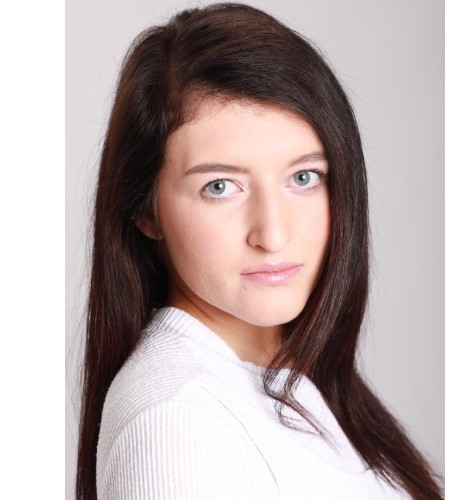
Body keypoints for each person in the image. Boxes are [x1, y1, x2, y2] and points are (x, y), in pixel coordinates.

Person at [76, 3, 443, 499]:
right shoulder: (176, 422)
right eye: (220, 187)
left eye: (303, 177)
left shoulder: (293, 381)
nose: (272, 235)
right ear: (146, 209)